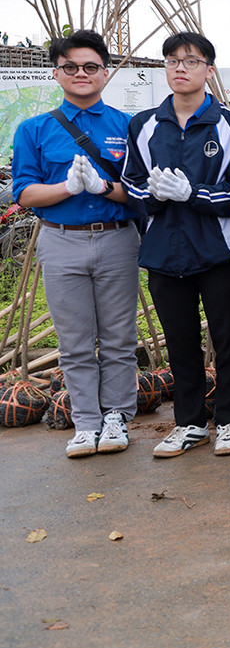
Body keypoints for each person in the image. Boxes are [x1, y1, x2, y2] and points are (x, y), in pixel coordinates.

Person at [12, 30, 139, 458]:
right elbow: (25, 193)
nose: (81, 74)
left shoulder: (127, 126)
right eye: (71, 67)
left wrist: (104, 187)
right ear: (56, 73)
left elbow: (138, 193)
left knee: (120, 337)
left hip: (117, 239)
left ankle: (118, 416)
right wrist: (67, 187)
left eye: (90, 67)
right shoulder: (35, 128)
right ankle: (85, 422)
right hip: (60, 240)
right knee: (75, 340)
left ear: (105, 73)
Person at [123, 32, 230, 458]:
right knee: (180, 343)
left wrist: (192, 193)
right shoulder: (143, 124)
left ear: (208, 70)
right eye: (173, 61)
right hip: (163, 253)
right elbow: (132, 187)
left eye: (192, 61)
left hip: (220, 252)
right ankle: (190, 423)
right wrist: (157, 195)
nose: (181, 68)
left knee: (228, 339)